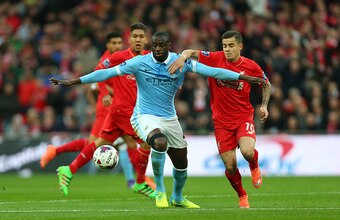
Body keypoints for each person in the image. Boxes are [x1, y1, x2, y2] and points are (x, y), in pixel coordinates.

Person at [50, 31, 266, 208]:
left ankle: (178, 197)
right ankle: (160, 190)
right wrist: (75, 81)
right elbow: (106, 74)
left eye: (162, 45)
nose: (158, 49)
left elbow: (214, 72)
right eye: (155, 45)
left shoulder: (180, 63)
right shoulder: (139, 62)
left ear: (168, 45)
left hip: (169, 117)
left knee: (182, 163)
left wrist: (242, 77)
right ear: (151, 46)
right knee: (157, 142)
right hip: (143, 115)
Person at [50, 22, 156, 197]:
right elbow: (98, 72)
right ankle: (139, 182)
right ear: (129, 40)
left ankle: (68, 170)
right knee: (147, 142)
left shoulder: (149, 58)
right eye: (134, 36)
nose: (138, 39)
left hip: (124, 112)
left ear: (146, 40)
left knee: (99, 143)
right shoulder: (119, 57)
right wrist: (102, 90)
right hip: (124, 112)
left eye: (141, 37)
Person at [168, 30, 271, 208]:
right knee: (230, 166)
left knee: (247, 151)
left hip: (243, 117)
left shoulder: (251, 66)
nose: (227, 49)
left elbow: (265, 83)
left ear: (240, 46)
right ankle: (242, 195)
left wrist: (264, 105)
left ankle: (254, 165)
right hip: (221, 123)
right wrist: (182, 57)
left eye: (231, 45)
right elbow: (191, 52)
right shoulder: (215, 58)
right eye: (224, 46)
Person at [39, 31, 135, 188]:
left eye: (119, 43)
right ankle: (137, 181)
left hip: (120, 109)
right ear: (107, 45)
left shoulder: (121, 58)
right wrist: (100, 103)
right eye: (114, 43)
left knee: (122, 142)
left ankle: (135, 180)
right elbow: (94, 86)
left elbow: (94, 89)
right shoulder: (106, 61)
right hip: (110, 111)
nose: (117, 46)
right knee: (107, 143)